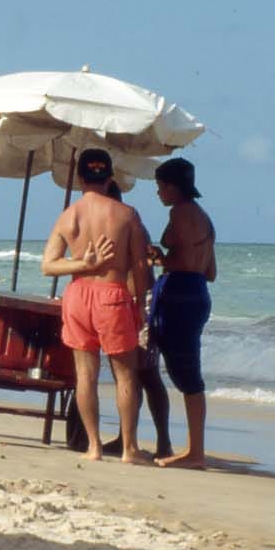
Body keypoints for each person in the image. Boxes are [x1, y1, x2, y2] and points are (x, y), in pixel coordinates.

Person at [42, 150, 148, 464]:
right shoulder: (126, 214)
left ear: (79, 178)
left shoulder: (68, 216)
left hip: (77, 296)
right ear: (110, 178)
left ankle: (94, 446)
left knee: (85, 375)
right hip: (112, 295)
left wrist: (82, 264)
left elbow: (48, 265)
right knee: (125, 376)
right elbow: (140, 266)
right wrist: (140, 304)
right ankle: (129, 448)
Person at [149, 157, 216, 470]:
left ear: (173, 187)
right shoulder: (205, 219)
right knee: (189, 372)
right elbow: (210, 271)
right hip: (199, 292)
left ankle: (196, 453)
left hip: (180, 294)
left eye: (160, 186)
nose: (158, 192)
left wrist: (160, 258)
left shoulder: (180, 212)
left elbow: (179, 259)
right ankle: (195, 448)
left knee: (185, 374)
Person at [100, 180, 173, 460]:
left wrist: (140, 305)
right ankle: (126, 437)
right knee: (127, 373)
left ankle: (163, 442)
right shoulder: (118, 223)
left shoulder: (130, 223)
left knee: (147, 373)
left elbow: (139, 266)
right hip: (124, 301)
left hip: (140, 301)